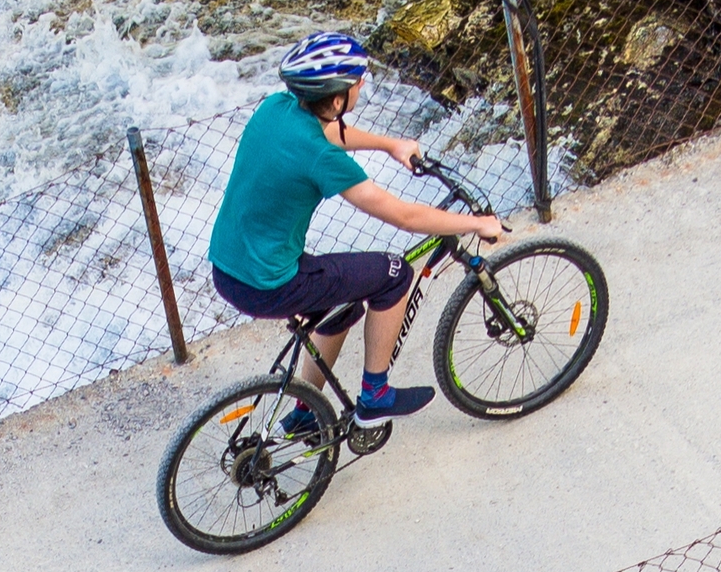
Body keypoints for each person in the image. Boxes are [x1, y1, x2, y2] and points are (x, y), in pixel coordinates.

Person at [204, 31, 512, 426]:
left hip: (231, 268)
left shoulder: (276, 108)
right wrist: (477, 223)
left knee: (340, 302)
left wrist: (391, 144)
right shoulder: (321, 158)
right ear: (337, 99)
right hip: (270, 283)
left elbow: (327, 130)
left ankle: (306, 413)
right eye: (356, 82)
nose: (362, 85)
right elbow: (406, 217)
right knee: (394, 275)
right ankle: (376, 395)